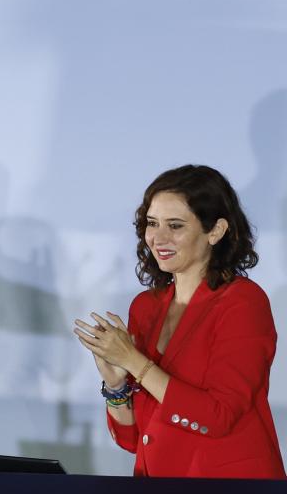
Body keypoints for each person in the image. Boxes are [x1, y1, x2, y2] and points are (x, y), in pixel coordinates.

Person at [74, 165, 284, 478]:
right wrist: (116, 384)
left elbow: (219, 416)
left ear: (215, 231)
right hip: (157, 493)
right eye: (152, 223)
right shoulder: (145, 307)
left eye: (175, 225)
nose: (158, 238)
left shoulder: (243, 302)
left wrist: (133, 361)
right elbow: (135, 440)